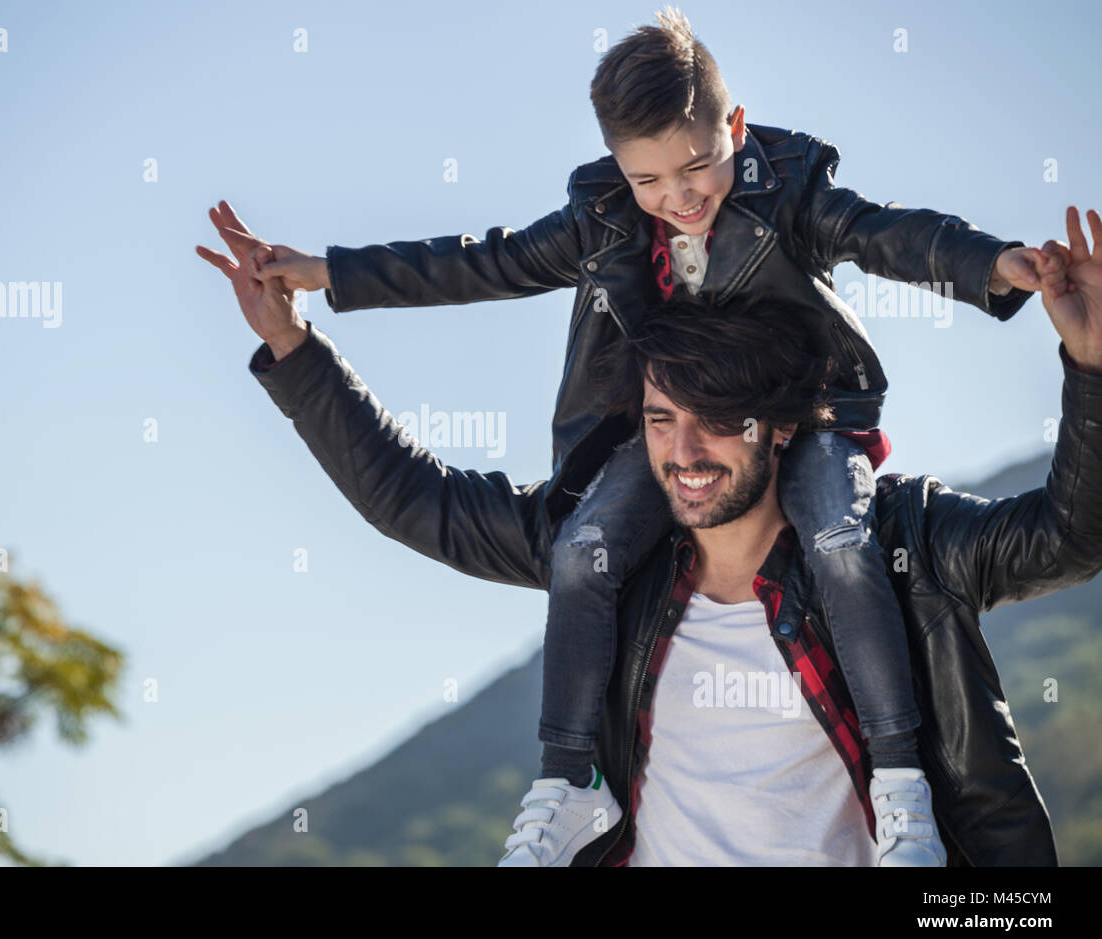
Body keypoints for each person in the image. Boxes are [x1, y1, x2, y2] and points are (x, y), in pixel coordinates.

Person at [217, 7, 1056, 866]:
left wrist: (998, 266)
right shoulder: (605, 221)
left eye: (697, 167)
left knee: (841, 542)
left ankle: (899, 786)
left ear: (735, 127)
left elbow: (891, 235)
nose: (681, 198)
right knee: (582, 550)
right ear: (618, 168)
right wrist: (318, 287)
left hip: (814, 420)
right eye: (649, 179)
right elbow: (480, 264)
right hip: (634, 465)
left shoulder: (792, 197)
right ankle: (570, 782)